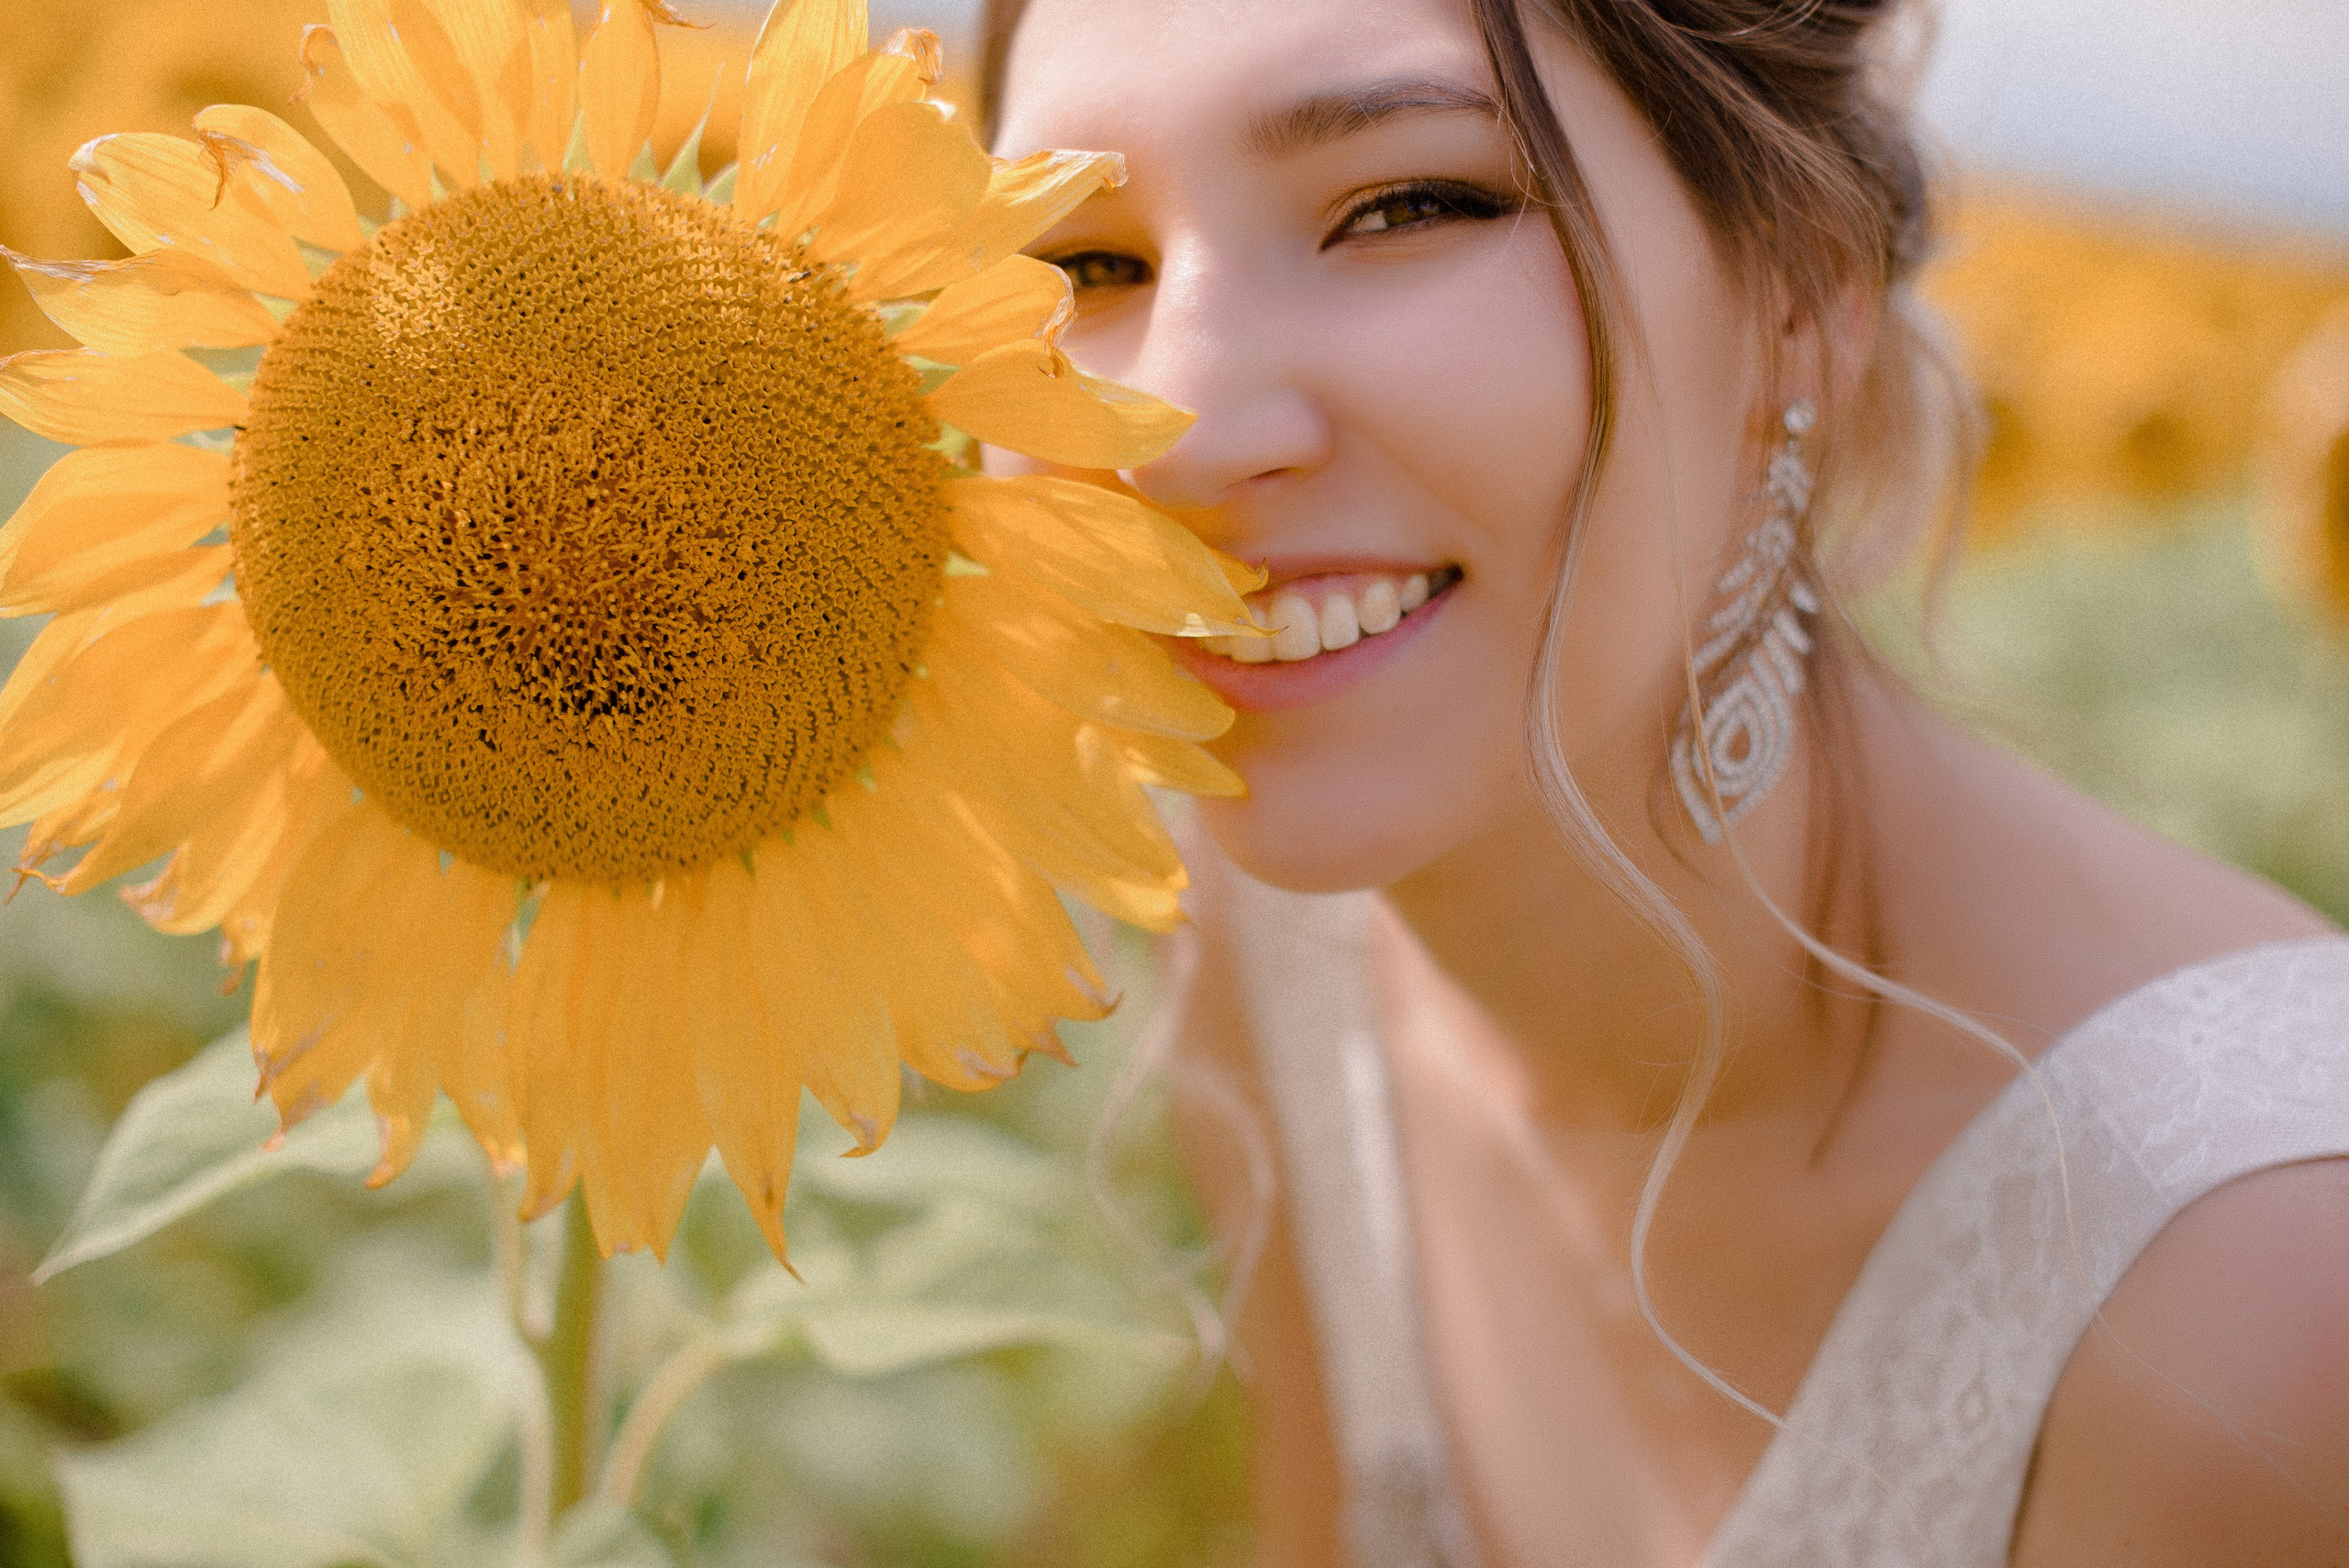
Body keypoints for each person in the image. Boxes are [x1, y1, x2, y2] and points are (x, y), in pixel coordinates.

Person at [975, 0, 2349, 1562]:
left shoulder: (2264, 1293)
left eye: (1409, 205)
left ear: (1800, 291)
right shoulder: (1269, 931)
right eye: (1084, 264)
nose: (1184, 428)